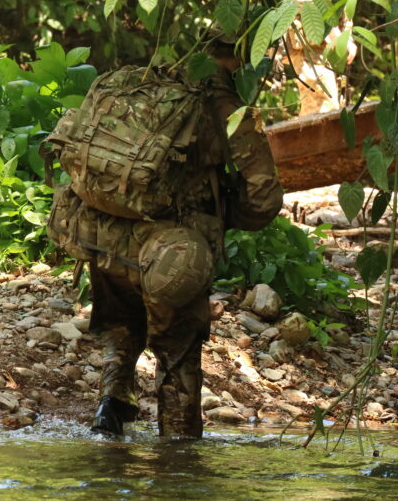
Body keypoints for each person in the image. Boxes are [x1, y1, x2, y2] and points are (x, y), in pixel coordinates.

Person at [45, 43, 283, 439]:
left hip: (101, 234)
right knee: (178, 355)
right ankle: (178, 456)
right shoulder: (228, 109)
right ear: (244, 53)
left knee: (123, 325)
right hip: (170, 252)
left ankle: (110, 412)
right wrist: (222, 214)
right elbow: (265, 199)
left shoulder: (132, 80)